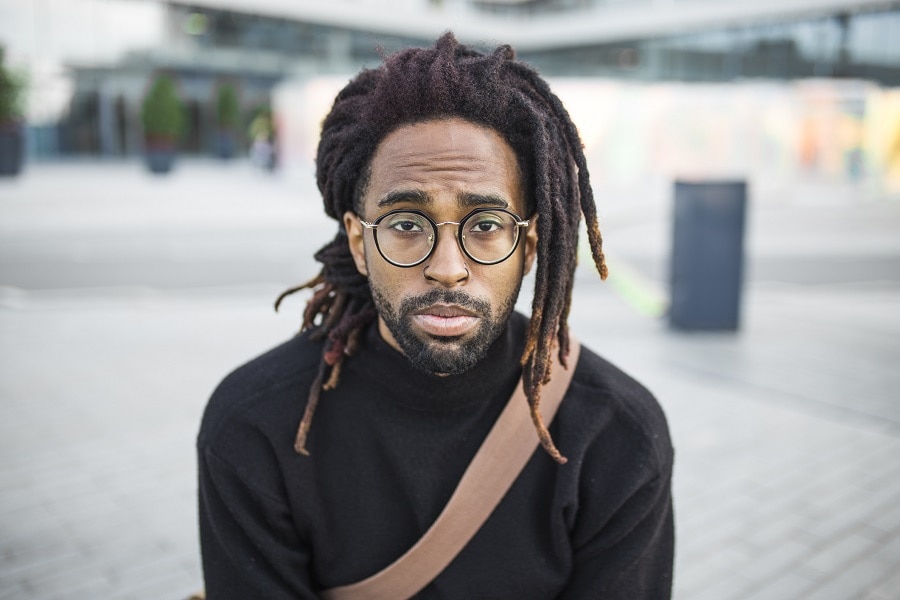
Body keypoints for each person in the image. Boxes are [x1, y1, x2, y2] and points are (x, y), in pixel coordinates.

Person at [197, 32, 674, 599]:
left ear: (530, 245)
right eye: (405, 225)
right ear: (357, 241)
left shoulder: (617, 437)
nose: (448, 268)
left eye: (486, 225)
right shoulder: (255, 429)